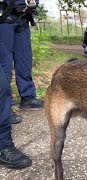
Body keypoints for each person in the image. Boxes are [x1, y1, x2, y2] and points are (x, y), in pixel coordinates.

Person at [0, 0, 43, 125]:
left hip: (23, 17)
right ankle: (4, 108)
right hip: (4, 15)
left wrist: (33, 2)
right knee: (4, 63)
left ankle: (27, 96)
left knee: (24, 59)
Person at [0, 1, 32, 169]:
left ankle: (3, 143)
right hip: (5, 15)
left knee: (22, 60)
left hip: (19, 17)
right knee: (2, 81)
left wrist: (29, 4)